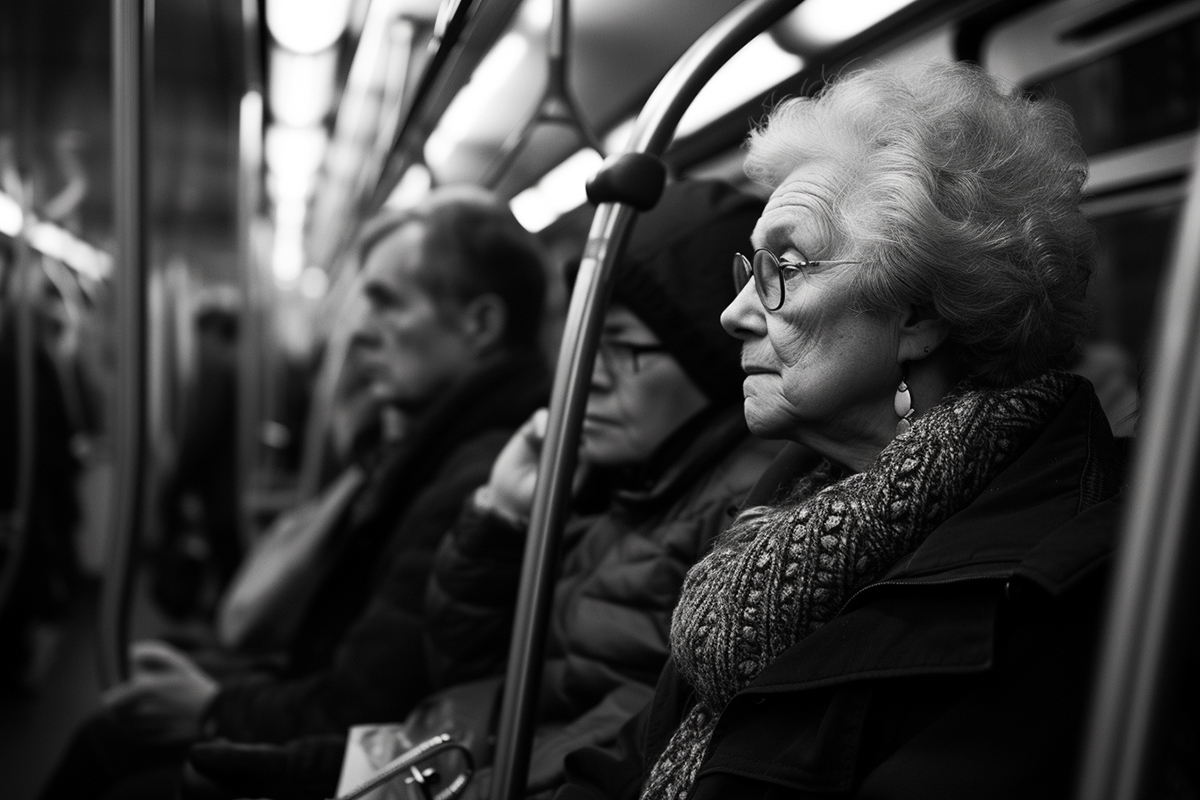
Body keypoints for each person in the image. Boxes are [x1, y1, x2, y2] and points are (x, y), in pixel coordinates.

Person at [556, 61, 1123, 800]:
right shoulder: (788, 501)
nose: (734, 315)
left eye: (784, 267)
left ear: (916, 314)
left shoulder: (1052, 589)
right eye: (746, 270)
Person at [180, 180, 783, 800]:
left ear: (713, 363)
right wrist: (496, 523)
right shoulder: (621, 485)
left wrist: (355, 782)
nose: (586, 379)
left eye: (622, 347)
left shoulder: (736, 529)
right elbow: (488, 683)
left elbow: (597, 756)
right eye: (583, 343)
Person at [37, 186, 552, 799]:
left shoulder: (478, 480)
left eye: (387, 304)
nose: (360, 332)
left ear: (481, 324)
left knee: (111, 755)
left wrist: (217, 707)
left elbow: (365, 702)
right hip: (336, 716)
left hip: (366, 757)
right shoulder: (426, 447)